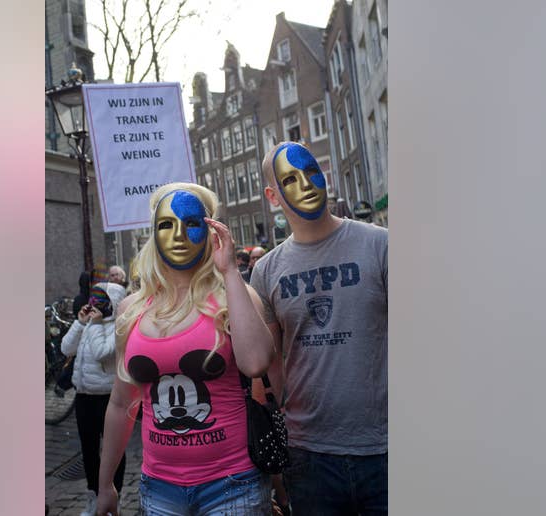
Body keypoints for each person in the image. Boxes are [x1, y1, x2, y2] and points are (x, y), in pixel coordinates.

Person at [95, 182, 275, 515]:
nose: (178, 234)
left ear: (209, 232)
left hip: (234, 486)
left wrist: (230, 270)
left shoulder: (232, 297)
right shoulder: (131, 310)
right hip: (159, 490)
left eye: (191, 223)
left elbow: (257, 363)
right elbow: (122, 404)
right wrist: (106, 485)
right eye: (166, 224)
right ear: (153, 235)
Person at [249, 142, 388, 515]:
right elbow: (266, 368)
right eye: (290, 179)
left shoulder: (381, 245)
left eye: (311, 172)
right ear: (273, 197)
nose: (307, 184)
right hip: (309, 456)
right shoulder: (267, 271)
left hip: (387, 449)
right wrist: (277, 456)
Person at [59, 281, 129, 516]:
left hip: (108, 398)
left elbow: (102, 352)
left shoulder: (119, 327)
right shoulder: (90, 322)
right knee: (88, 451)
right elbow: (66, 348)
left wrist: (97, 324)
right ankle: (93, 497)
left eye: (100, 299)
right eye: (93, 298)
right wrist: (80, 323)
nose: (94, 304)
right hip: (84, 397)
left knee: (113, 450)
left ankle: (114, 498)